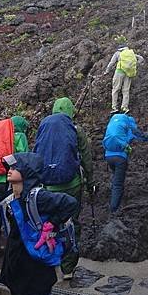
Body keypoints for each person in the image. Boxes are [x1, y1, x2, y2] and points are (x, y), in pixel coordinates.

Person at [0, 152, 77, 295]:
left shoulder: (39, 197)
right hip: (16, 269)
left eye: (14, 167)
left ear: (27, 171)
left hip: (36, 272)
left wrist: (51, 224)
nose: (9, 171)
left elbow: (70, 203)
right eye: (9, 167)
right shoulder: (11, 198)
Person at [34, 97, 94, 280]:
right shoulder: (76, 130)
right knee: (70, 223)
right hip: (71, 186)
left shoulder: (43, 127)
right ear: (70, 111)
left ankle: (50, 263)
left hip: (48, 187)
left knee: (49, 224)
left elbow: (36, 154)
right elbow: (86, 158)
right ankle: (68, 268)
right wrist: (90, 182)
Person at [0, 116, 29, 260]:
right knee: (14, 212)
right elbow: (24, 158)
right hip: (10, 180)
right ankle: (14, 249)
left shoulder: (0, 136)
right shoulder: (19, 136)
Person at [102, 113, 148, 213]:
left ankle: (115, 199)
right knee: (118, 184)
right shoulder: (128, 125)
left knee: (116, 178)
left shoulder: (112, 124)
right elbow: (142, 136)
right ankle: (114, 209)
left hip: (108, 156)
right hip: (120, 157)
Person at [104, 38, 144, 114]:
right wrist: (135, 65)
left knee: (116, 89)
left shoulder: (118, 53)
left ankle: (114, 107)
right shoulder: (131, 53)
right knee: (126, 90)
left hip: (119, 72)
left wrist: (106, 71)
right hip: (128, 73)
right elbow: (141, 58)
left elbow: (111, 63)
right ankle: (125, 107)